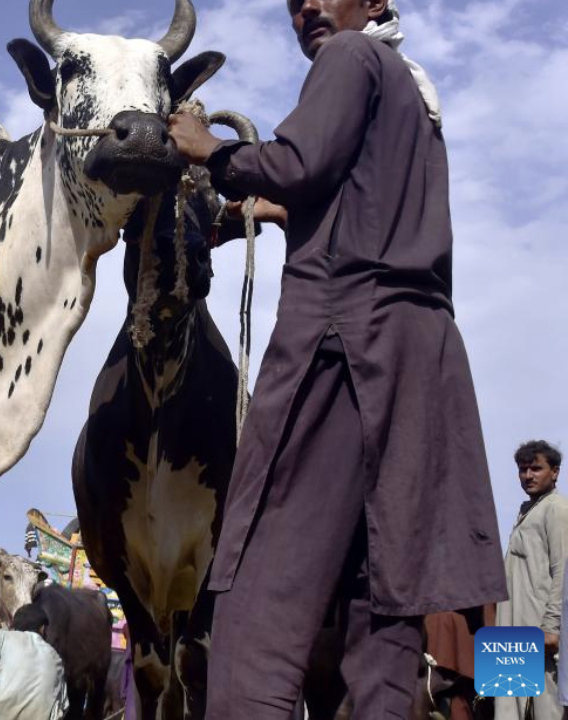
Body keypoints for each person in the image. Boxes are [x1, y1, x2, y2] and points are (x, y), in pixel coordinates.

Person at [167, 0, 507, 716]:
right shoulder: (413, 94)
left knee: (259, 605)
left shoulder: (350, 58)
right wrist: (257, 214)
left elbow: (300, 161)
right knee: (381, 607)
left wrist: (209, 150)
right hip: (417, 365)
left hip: (344, 349)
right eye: (293, 3)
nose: (308, 8)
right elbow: (347, 198)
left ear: (376, 0)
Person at [496, 441, 567, 720]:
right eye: (523, 469)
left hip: (538, 631)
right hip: (512, 631)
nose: (528, 475)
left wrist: (552, 625)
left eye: (536, 468)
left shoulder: (557, 509)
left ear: (555, 472)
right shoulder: (527, 510)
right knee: (507, 710)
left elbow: (564, 569)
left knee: (545, 711)